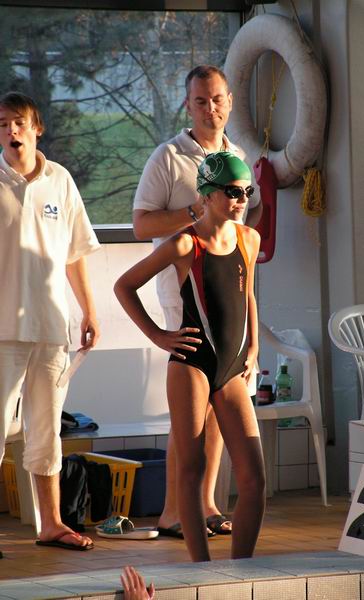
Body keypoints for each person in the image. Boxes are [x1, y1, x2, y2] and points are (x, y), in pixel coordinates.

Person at [115, 151, 266, 562]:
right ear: (207, 195)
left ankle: (242, 568)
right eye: (232, 192)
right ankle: (201, 567)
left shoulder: (248, 239)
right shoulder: (185, 243)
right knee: (191, 468)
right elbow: (124, 286)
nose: (242, 200)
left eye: (247, 192)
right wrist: (158, 335)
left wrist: (253, 346)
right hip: (192, 365)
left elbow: (248, 295)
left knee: (253, 479)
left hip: (233, 368)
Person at [132, 65, 262, 538]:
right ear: (188, 105)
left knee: (219, 407)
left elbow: (244, 232)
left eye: (218, 99)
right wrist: (197, 209)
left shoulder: (239, 155)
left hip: (229, 295)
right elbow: (141, 225)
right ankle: (174, 510)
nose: (211, 109)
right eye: (201, 101)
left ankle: (205, 502)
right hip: (185, 293)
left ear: (230, 101)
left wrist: (253, 340)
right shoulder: (168, 158)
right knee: (191, 411)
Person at [0, 91, 100, 554]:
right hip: (3, 330)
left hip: (51, 327)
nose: (11, 130)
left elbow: (75, 253)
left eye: (18, 122)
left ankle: (52, 524)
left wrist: (89, 310)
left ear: (36, 128)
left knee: (46, 430)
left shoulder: (60, 180)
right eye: (2, 124)